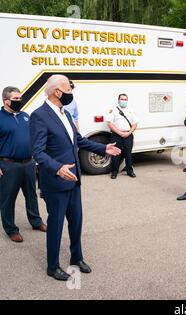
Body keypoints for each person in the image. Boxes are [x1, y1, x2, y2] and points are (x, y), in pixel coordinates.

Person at [30, 75, 121, 281]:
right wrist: (57, 167)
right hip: (56, 182)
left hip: (74, 180)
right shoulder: (40, 116)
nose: (72, 94)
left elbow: (78, 140)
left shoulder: (66, 114)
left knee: (76, 222)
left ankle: (76, 258)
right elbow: (37, 151)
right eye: (69, 90)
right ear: (57, 92)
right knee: (56, 225)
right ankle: (52, 266)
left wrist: (103, 147)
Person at [0, 86, 46, 243]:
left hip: (29, 163)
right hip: (9, 165)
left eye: (20, 98)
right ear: (6, 101)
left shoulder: (25, 116)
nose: (19, 101)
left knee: (31, 195)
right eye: (15, 99)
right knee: (8, 199)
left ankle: (36, 221)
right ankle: (11, 229)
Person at [106, 93, 139, 179]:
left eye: (125, 99)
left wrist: (129, 132)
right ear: (118, 100)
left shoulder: (131, 110)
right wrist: (119, 133)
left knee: (128, 154)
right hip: (116, 135)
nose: (123, 101)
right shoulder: (113, 110)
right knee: (116, 154)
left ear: (127, 101)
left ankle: (129, 171)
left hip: (128, 135)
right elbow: (110, 124)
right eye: (122, 99)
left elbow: (135, 124)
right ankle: (114, 171)